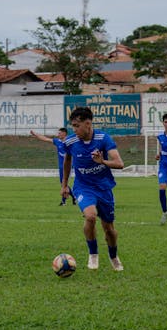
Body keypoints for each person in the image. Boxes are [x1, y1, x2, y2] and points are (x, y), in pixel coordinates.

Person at [61, 107, 124, 271]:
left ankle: (113, 256)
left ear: (88, 123)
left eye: (77, 126)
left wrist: (102, 162)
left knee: (109, 230)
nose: (74, 130)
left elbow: (119, 163)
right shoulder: (71, 142)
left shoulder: (103, 139)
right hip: (83, 187)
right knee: (90, 216)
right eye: (72, 126)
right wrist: (64, 184)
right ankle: (93, 254)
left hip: (104, 187)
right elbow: (67, 160)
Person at [30, 128, 76, 206]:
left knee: (63, 183)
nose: (58, 135)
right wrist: (36, 135)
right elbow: (45, 139)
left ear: (64, 133)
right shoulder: (57, 141)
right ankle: (73, 197)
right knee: (63, 183)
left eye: (60, 133)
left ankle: (63, 201)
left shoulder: (70, 141)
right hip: (61, 166)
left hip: (68, 166)